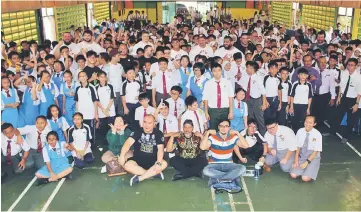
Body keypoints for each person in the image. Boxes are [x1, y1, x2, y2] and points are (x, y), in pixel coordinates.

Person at [119, 115, 168, 186]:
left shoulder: (158, 133)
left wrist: (158, 162)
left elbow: (160, 149)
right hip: (138, 161)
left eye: (149, 123)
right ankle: (153, 174)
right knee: (126, 166)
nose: (146, 125)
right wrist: (122, 155)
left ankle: (140, 178)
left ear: (154, 123)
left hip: (153, 162)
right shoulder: (137, 131)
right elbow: (128, 143)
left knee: (164, 163)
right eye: (145, 122)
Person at [201, 119, 248, 191]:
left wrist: (238, 133)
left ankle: (219, 181)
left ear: (229, 128)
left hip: (228, 164)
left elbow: (246, 146)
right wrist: (207, 133)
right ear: (218, 127)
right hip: (214, 164)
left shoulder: (233, 137)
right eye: (221, 126)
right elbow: (202, 147)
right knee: (206, 171)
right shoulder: (213, 137)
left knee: (242, 168)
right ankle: (230, 179)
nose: (224, 128)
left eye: (226, 126)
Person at [331, 58, 361, 143]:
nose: (349, 67)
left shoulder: (359, 77)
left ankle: (346, 136)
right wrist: (339, 97)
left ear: (356, 66)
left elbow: (359, 92)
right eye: (348, 65)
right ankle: (332, 131)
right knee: (337, 115)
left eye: (352, 65)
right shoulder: (344, 73)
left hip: (353, 99)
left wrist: (356, 104)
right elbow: (341, 86)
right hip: (343, 98)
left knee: (351, 119)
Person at [290, 115, 322, 182]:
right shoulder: (300, 131)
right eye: (306, 122)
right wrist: (296, 160)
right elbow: (297, 147)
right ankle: (305, 170)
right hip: (303, 154)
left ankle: (310, 169)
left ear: (314, 124)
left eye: (310, 123)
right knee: (293, 175)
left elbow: (316, 151)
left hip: (313, 156)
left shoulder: (317, 134)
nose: (307, 124)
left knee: (305, 178)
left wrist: (307, 162)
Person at [203, 63, 234, 130]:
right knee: (213, 130)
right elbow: (206, 99)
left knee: (225, 130)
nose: (217, 73)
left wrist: (231, 112)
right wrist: (206, 112)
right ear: (212, 72)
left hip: (225, 110)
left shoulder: (227, 82)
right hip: (213, 110)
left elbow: (231, 98)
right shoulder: (208, 83)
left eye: (219, 70)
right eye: (214, 71)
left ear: (221, 71)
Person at [289, 68, 313, 132]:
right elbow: (292, 96)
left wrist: (308, 108)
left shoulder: (309, 85)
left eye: (304, 75)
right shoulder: (295, 84)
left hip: (304, 106)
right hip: (295, 105)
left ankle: (301, 134)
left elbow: (310, 97)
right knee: (294, 121)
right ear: (298, 76)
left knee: (303, 121)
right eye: (301, 75)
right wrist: (291, 107)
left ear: (307, 76)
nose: (303, 76)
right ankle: (294, 134)